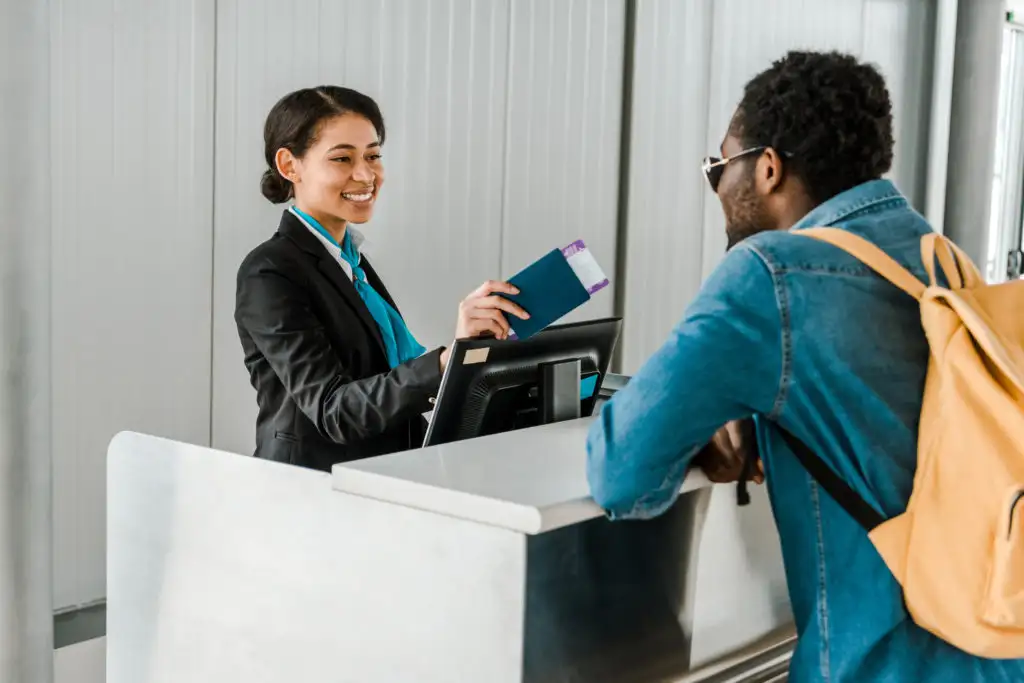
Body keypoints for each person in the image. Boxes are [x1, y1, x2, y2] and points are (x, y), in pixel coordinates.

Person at [586, 51, 1024, 683]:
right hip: (997, 646)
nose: (718, 189)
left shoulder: (768, 274)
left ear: (767, 168)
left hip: (879, 667)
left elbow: (621, 471)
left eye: (718, 168)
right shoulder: (942, 258)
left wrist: (706, 429)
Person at [235, 86, 528, 471]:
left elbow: (384, 379)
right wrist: (442, 363)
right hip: (310, 492)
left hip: (376, 478)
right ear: (290, 166)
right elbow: (334, 410)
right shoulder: (269, 272)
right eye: (342, 158)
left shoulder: (349, 262)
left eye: (373, 155)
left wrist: (463, 347)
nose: (366, 174)